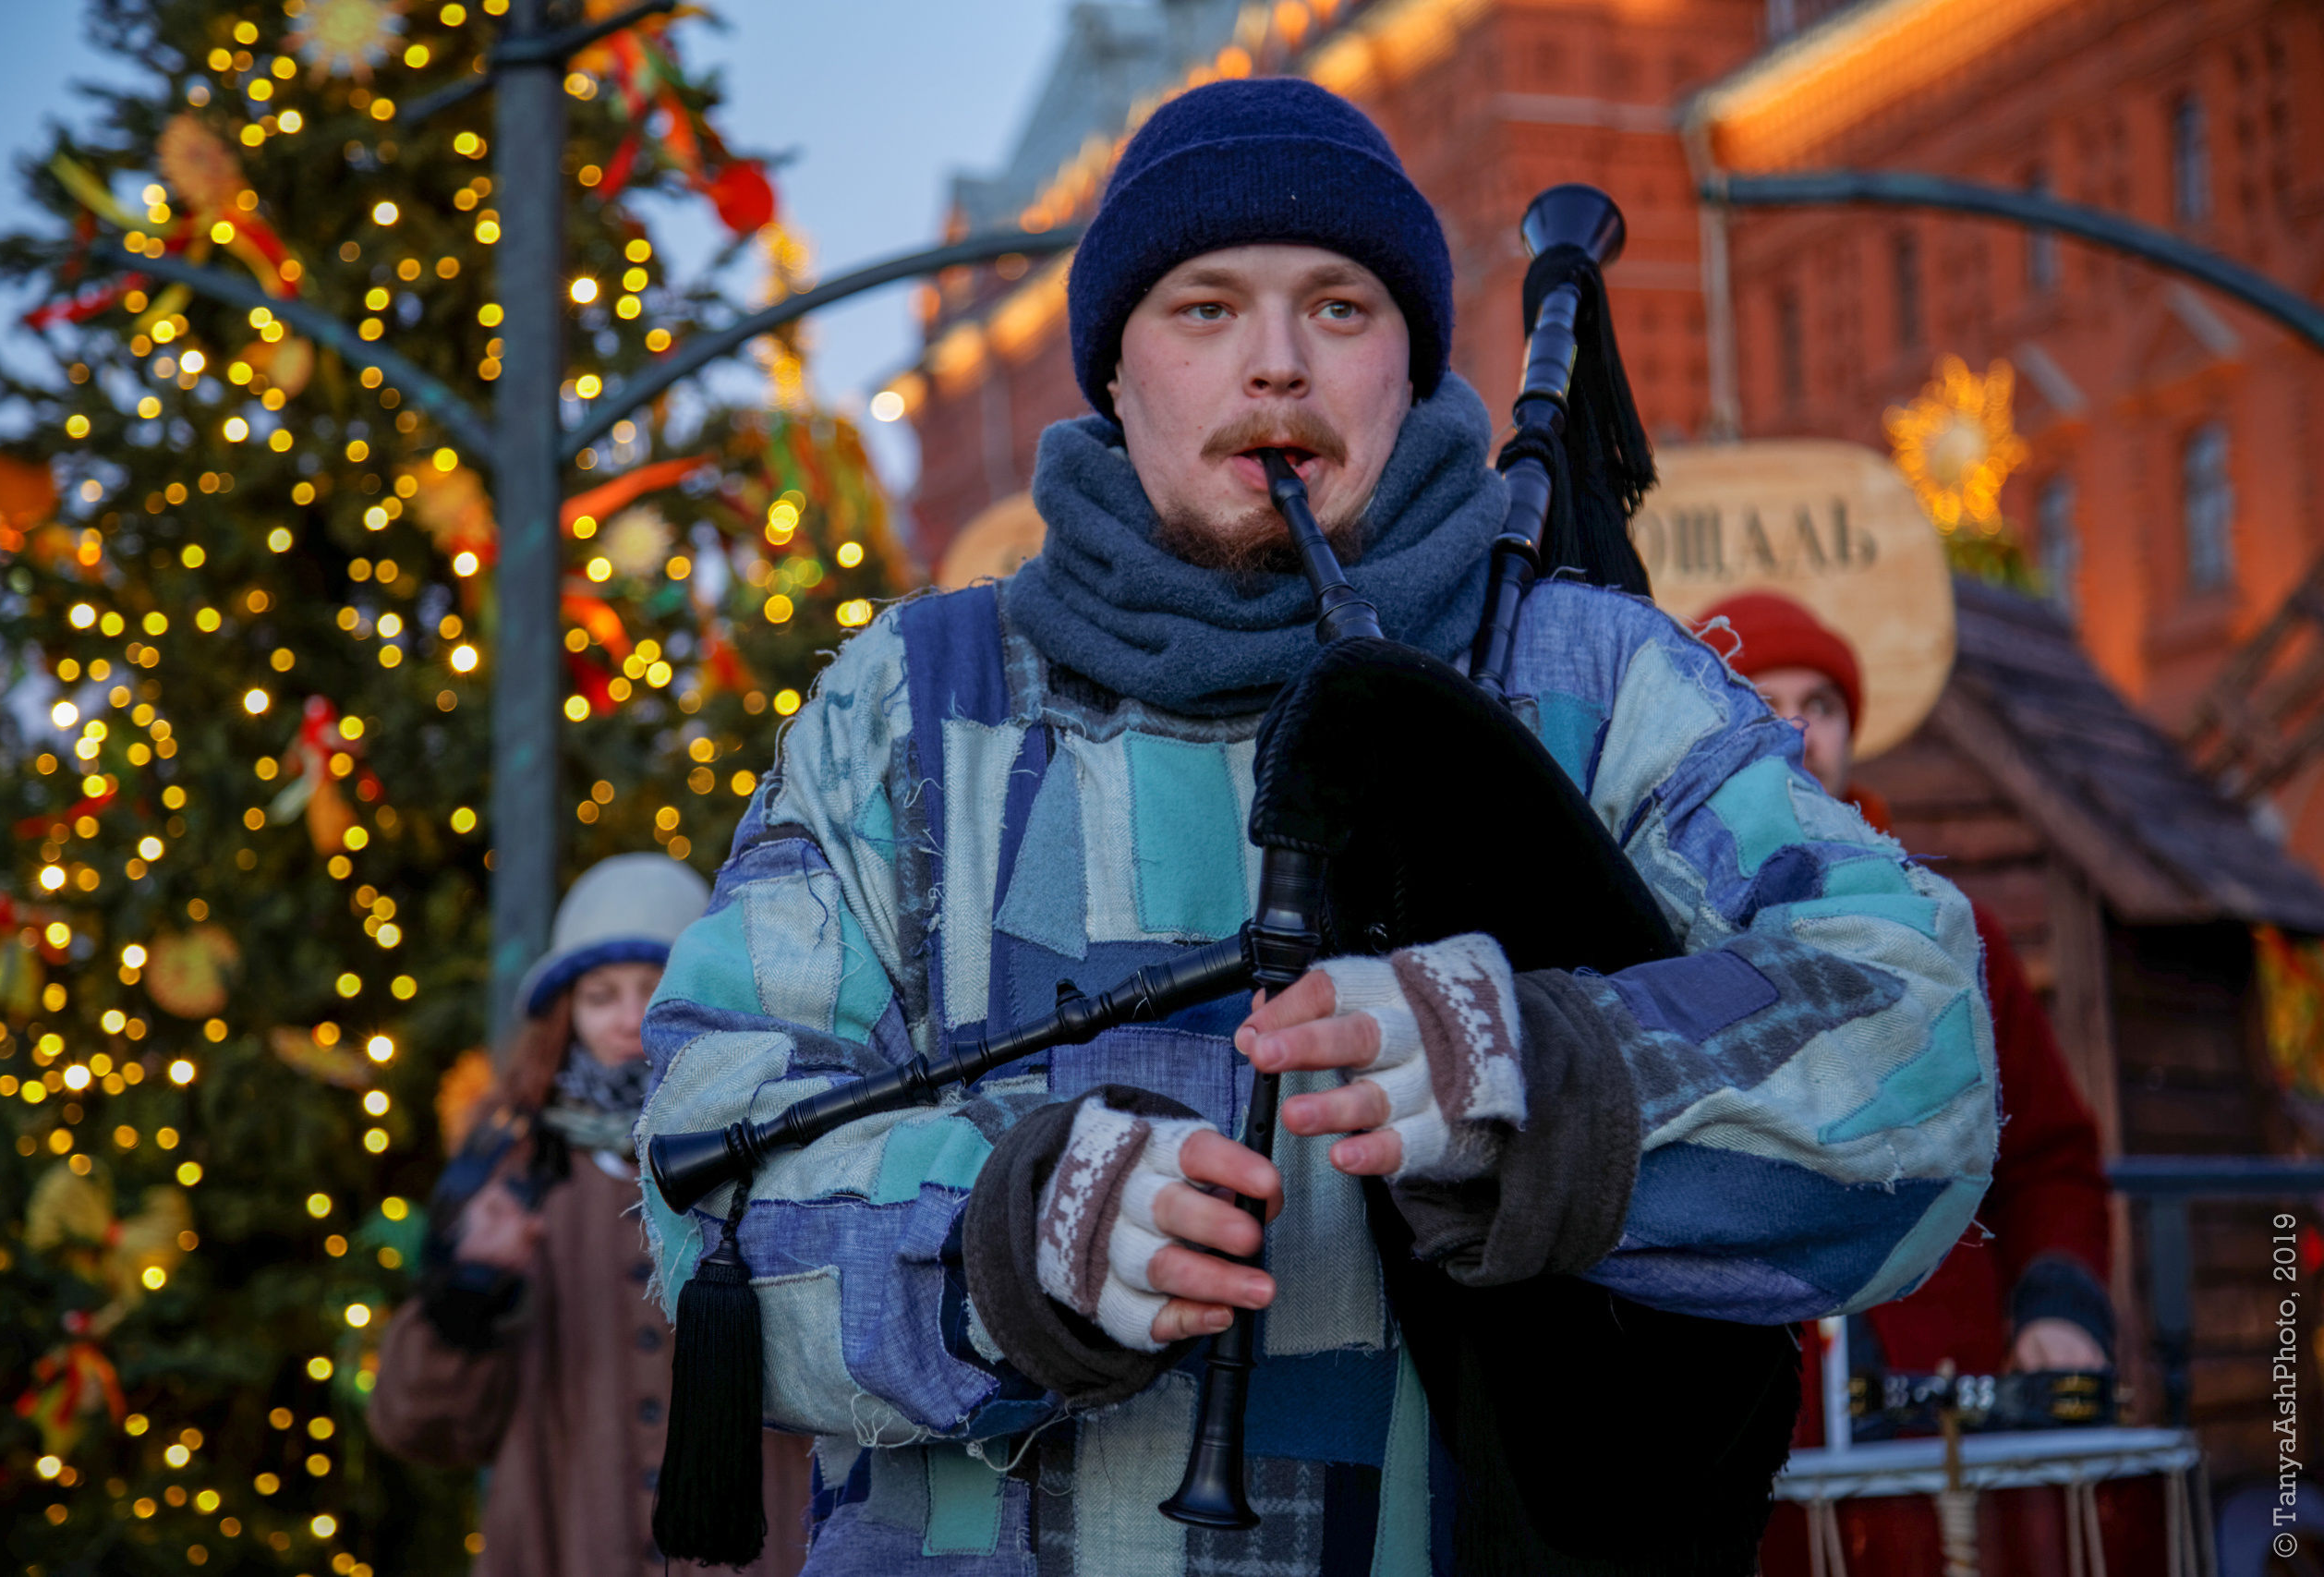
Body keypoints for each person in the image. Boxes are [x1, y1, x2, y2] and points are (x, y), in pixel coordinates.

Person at [639, 79, 1995, 1577]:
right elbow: (704, 1171)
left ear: (1410, 359)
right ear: (1116, 371)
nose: (1276, 366)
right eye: (1206, 310)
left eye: (1340, 309)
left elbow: (1922, 1050)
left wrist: (1544, 1072)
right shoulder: (911, 703)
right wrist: (1007, 1246)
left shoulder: (1587, 682)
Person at [1695, 592, 2115, 1573]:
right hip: (1743, 1445)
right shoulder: (1647, 937)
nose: (1797, 731)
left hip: (1936, 1427)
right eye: (1761, 701)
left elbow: (2049, 1156)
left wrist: (2059, 1301)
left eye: (1823, 704)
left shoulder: (1952, 933)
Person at [368, 854, 811, 1577]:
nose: (630, 1018)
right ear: (567, 1012)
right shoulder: (508, 1174)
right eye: (601, 995)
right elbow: (419, 1426)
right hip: (561, 1544)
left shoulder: (780, 1152)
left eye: (656, 988)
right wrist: (469, 1291)